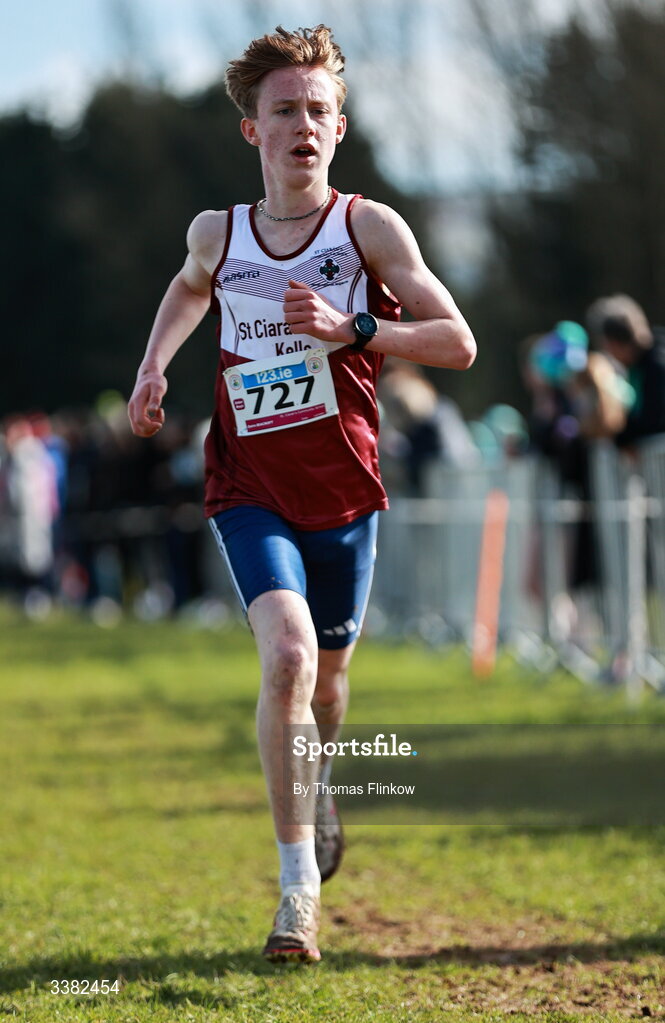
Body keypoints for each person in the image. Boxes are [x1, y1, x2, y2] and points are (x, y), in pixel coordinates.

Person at [127, 24, 475, 963]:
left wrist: (353, 325)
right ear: (252, 130)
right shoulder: (219, 232)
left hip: (347, 494)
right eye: (284, 110)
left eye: (318, 110)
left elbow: (456, 341)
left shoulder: (368, 227)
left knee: (325, 685)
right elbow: (191, 285)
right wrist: (154, 366)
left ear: (340, 125)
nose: (302, 126)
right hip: (250, 490)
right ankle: (296, 895)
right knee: (283, 657)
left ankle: (323, 783)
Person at [586, 294, 665, 447]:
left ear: (613, 343)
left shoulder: (657, 365)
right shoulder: (637, 367)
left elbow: (653, 419)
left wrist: (620, 436)